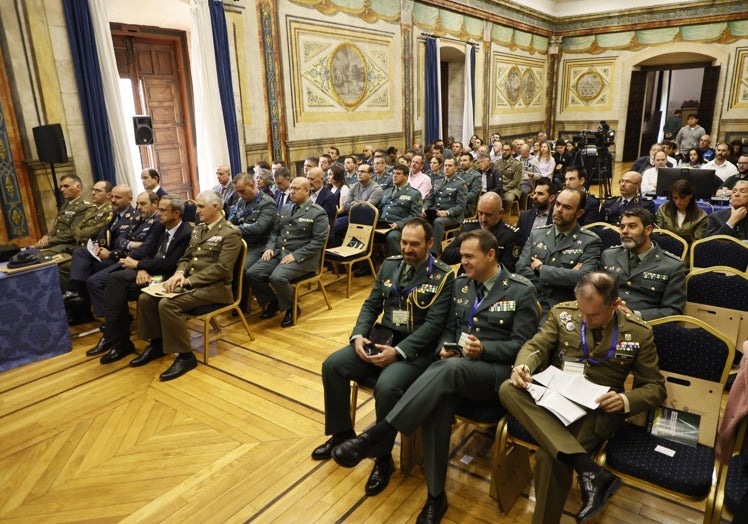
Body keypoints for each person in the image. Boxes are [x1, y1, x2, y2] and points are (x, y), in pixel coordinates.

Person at [330, 229, 538, 522]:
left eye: (469, 257)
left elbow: (524, 344)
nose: (461, 261)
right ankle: (436, 496)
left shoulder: (520, 289)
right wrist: (443, 348)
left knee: (445, 371)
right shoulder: (462, 285)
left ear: (491, 255)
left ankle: (379, 433)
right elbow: (449, 329)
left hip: (493, 374)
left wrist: (485, 349)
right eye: (461, 255)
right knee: (437, 406)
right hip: (452, 369)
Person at [499, 272, 666, 524]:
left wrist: (624, 399)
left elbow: (655, 388)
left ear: (615, 304)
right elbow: (537, 346)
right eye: (582, 312)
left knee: (549, 457)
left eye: (594, 315)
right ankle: (590, 471)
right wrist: (523, 367)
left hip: (597, 410)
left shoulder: (638, 333)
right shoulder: (562, 314)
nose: (585, 320)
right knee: (507, 388)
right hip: (556, 397)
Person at [311, 218, 455, 497]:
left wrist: (399, 352)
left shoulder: (443, 275)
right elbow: (371, 304)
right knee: (333, 365)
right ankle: (341, 434)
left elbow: (434, 325)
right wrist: (358, 336)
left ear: (429, 243)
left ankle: (382, 457)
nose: (407, 248)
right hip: (382, 338)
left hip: (415, 350)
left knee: (387, 386)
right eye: (404, 242)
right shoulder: (390, 265)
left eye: (414, 244)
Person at [136, 190, 242, 381]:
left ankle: (185, 356)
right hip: (192, 284)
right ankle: (157, 344)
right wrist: (178, 273)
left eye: (201, 206)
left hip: (215, 289)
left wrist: (189, 281)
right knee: (146, 298)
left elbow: (222, 268)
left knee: (168, 304)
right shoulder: (198, 229)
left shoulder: (230, 233)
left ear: (215, 207)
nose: (196, 210)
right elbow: (186, 258)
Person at [86, 195, 193, 363]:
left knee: (117, 285)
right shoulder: (159, 227)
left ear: (177, 214)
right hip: (149, 271)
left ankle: (118, 339)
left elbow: (170, 264)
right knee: (115, 282)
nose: (158, 213)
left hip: (168, 277)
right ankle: (120, 340)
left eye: (162, 210)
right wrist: (142, 267)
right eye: (158, 209)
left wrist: (139, 265)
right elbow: (146, 250)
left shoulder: (186, 233)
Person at [247, 177, 329, 327]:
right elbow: (275, 232)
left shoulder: (318, 213)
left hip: (303, 258)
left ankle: (292, 308)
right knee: (253, 273)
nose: (292, 191)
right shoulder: (286, 207)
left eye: (296, 189)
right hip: (279, 252)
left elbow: (318, 242)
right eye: (291, 188)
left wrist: (296, 255)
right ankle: (274, 301)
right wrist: (270, 247)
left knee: (277, 278)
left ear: (307, 190)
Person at [517, 188, 602, 314]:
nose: (559, 210)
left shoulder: (590, 241)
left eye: (567, 207)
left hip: (563, 308)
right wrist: (566, 278)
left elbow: (584, 278)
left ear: (579, 213)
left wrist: (541, 269)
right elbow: (521, 268)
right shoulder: (537, 233)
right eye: (557, 204)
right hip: (529, 299)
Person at [603, 207, 686, 320]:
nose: (625, 231)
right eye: (622, 227)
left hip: (643, 327)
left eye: (632, 226)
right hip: (605, 319)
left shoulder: (672, 266)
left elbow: (673, 310)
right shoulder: (609, 255)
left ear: (648, 230)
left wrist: (634, 315)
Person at [442, 192, 522, 272]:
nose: (483, 219)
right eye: (480, 213)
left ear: (500, 212)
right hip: (465, 279)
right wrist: (469, 252)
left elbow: (507, 270)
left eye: (488, 215)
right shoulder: (468, 227)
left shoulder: (510, 235)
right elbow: (446, 256)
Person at [34, 175, 95, 254]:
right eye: (61, 187)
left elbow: (72, 233)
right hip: (58, 243)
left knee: (37, 257)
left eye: (66, 186)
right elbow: (57, 226)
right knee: (27, 254)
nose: (62, 190)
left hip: (71, 245)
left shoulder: (84, 207)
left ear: (78, 187)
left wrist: (49, 241)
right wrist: (47, 236)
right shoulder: (66, 205)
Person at [421, 157, 466, 256]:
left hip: (452, 216)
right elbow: (430, 198)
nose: (447, 168)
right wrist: (424, 207)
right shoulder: (438, 181)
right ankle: (422, 248)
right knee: (421, 219)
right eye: (445, 165)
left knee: (438, 222)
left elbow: (461, 205)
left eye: (450, 166)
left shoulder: (460, 184)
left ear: (456, 168)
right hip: (436, 212)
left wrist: (447, 212)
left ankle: (433, 253)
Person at [377, 165, 423, 256]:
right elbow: (379, 209)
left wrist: (399, 224)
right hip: (382, 225)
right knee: (364, 235)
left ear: (406, 176)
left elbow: (416, 216)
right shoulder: (387, 191)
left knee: (392, 237)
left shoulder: (414, 194)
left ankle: (397, 264)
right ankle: (367, 266)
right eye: (393, 173)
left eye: (398, 173)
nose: (394, 176)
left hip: (399, 227)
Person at [654, 179, 708, 244]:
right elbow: (656, 234)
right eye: (675, 198)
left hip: (689, 251)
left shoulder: (701, 216)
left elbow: (697, 243)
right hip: (664, 250)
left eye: (682, 197)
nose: (678, 202)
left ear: (691, 195)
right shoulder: (663, 210)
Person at [517, 177, 556, 245]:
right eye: (535, 193)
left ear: (551, 198)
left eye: (540, 194)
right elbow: (518, 242)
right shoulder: (524, 216)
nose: (535, 196)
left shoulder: (557, 219)